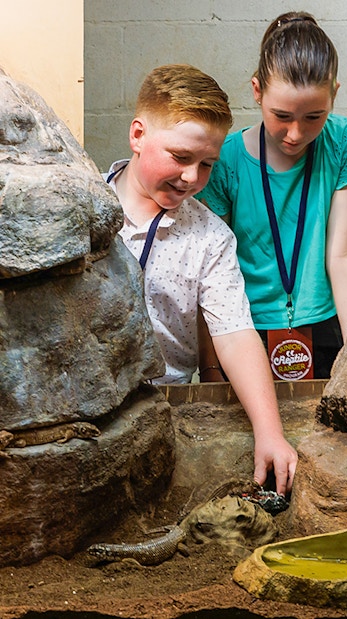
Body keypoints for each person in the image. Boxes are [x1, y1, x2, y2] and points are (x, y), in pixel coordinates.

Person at [105, 64, 297, 495]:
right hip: (87, 407)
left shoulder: (211, 237)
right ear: (138, 135)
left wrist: (270, 431)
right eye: (180, 157)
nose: (193, 177)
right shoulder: (81, 207)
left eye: (207, 163)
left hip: (165, 405)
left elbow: (234, 334)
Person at [197, 12, 347, 379]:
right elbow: (212, 271)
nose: (295, 134)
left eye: (314, 117)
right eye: (281, 115)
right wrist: (211, 367)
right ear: (256, 91)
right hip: (244, 332)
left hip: (327, 328)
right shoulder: (228, 158)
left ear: (334, 94)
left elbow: (344, 254)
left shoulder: (342, 142)